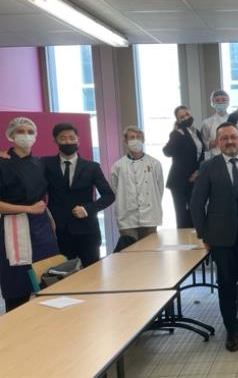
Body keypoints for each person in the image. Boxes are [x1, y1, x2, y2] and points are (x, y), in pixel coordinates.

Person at [190, 122, 238, 352]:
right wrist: (203, 234)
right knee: (228, 284)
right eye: (224, 138)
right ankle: (231, 329)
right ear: (218, 143)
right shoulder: (209, 166)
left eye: (233, 137)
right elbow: (197, 203)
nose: (230, 142)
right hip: (221, 237)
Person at [0, 117, 59, 312]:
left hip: (42, 228)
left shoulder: (39, 163)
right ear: (11, 135)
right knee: (17, 287)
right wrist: (28, 209)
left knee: (48, 279)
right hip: (14, 229)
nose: (26, 136)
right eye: (20, 132)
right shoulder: (2, 163)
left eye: (30, 132)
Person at [42, 123, 114, 267]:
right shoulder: (45, 164)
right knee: (63, 275)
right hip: (59, 230)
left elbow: (109, 196)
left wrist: (88, 209)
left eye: (71, 138)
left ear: (78, 140)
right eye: (63, 138)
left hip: (87, 229)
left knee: (92, 273)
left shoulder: (92, 167)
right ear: (55, 141)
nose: (68, 141)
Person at [111, 125, 163, 241]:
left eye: (138, 137)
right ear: (125, 141)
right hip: (127, 217)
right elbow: (115, 189)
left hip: (150, 216)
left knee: (150, 252)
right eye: (132, 137)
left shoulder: (154, 163)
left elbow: (159, 188)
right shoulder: (118, 166)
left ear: (143, 140)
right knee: (130, 252)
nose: (136, 140)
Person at [163, 106, 205, 228]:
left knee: (195, 211)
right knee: (181, 214)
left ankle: (195, 240)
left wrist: (198, 172)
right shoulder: (177, 133)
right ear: (178, 120)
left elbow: (201, 154)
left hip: (195, 177)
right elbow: (167, 152)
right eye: (182, 117)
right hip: (179, 180)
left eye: (187, 114)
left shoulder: (196, 132)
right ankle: (183, 242)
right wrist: (176, 134)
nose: (186, 117)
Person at [201, 90, 238, 157]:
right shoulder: (207, 123)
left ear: (228, 102)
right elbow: (203, 144)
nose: (220, 102)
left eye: (223, 100)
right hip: (215, 156)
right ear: (212, 103)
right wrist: (214, 143)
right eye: (217, 100)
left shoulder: (236, 120)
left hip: (234, 155)